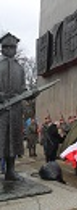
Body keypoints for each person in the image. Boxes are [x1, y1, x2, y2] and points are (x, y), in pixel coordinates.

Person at [0, 33, 26, 181]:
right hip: (2, 111)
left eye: (13, 47)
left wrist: (29, 94)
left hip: (15, 111)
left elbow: (22, 88)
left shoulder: (20, 68)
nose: (10, 50)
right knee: (2, 140)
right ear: (2, 48)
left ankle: (11, 171)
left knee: (13, 142)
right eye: (7, 47)